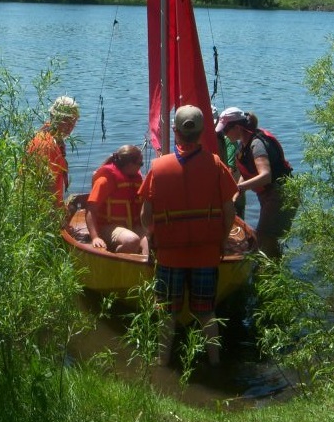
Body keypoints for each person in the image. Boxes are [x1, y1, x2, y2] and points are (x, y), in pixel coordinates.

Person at [139, 105, 237, 366]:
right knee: (206, 313)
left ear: (175, 131)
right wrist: (221, 239)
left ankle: (162, 364)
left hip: (170, 256)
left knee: (167, 314)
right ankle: (215, 364)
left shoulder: (158, 167)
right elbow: (230, 211)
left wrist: (153, 236)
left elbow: (145, 216)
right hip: (206, 254)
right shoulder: (216, 165)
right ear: (203, 131)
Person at [215, 107, 294, 260]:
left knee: (265, 238)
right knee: (267, 239)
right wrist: (237, 193)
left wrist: (239, 187)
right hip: (269, 195)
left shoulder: (256, 145)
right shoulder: (243, 144)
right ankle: (272, 271)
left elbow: (265, 175)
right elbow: (246, 172)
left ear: (237, 127)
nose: (224, 134)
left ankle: (270, 274)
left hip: (281, 194)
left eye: (226, 130)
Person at [85, 145, 148, 256]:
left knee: (150, 240)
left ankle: (145, 269)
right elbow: (90, 210)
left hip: (132, 225)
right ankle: (116, 261)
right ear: (129, 165)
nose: (141, 167)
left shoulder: (135, 179)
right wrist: (95, 237)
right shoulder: (105, 181)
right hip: (108, 227)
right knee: (131, 241)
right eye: (140, 164)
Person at [27, 96, 80, 207]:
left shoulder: (52, 136)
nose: (70, 126)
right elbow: (47, 189)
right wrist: (57, 217)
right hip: (41, 213)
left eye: (73, 121)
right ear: (53, 117)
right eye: (66, 120)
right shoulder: (47, 145)